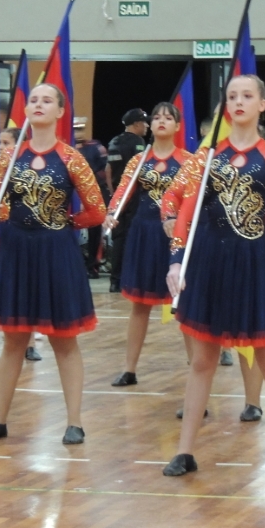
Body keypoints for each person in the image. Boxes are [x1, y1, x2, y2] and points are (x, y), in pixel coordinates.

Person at [162, 74, 265, 480]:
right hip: (208, 261)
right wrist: (176, 261)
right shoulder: (207, 156)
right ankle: (184, 452)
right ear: (226, 106)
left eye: (247, 95)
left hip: (254, 263)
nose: (239, 101)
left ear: (262, 104)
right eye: (232, 96)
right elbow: (184, 211)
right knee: (203, 361)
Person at [0, 83, 105, 444]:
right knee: (13, 340)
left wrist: (66, 223)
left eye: (47, 100)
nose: (38, 104)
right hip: (16, 252)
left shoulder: (72, 157)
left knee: (63, 340)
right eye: (33, 100)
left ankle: (74, 422)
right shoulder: (9, 157)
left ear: (60, 112)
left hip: (56, 252)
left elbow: (97, 211)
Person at [104, 101, 191, 387]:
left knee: (185, 304)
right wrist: (112, 213)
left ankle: (197, 368)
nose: (161, 121)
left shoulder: (188, 161)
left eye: (168, 117)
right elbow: (123, 191)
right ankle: (129, 369)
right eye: (156, 118)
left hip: (176, 236)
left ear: (178, 126)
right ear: (150, 125)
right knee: (140, 306)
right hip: (144, 233)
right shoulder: (138, 161)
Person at [0, 126, 45, 364]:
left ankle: (29, 344)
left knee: (27, 285)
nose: (1, 147)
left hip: (22, 232)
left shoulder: (27, 171)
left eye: (6, 143)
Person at [106, 108, 149, 293]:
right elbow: (141, 171)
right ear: (137, 124)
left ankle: (115, 281)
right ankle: (130, 279)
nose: (147, 126)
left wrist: (113, 194)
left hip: (118, 195)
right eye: (145, 122)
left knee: (118, 238)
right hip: (134, 196)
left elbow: (108, 170)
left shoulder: (114, 142)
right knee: (133, 237)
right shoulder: (139, 143)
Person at [76, 117, 109, 280]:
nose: (78, 133)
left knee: (95, 231)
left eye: (80, 129)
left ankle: (92, 266)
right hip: (72, 195)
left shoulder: (96, 147)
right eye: (75, 129)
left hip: (94, 194)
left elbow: (105, 171)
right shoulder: (65, 148)